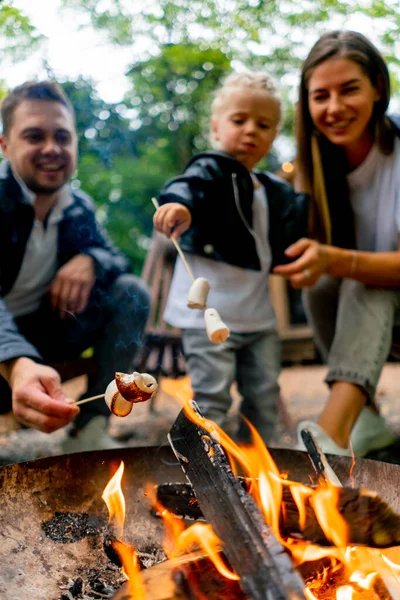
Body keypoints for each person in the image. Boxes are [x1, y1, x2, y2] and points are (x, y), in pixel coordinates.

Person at [153, 71, 307, 444]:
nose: (250, 130)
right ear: (216, 127)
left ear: (274, 136)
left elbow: (288, 235)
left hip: (258, 318)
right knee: (212, 396)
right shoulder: (211, 172)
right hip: (208, 316)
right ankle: (209, 468)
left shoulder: (273, 190)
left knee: (264, 393)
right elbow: (189, 185)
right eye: (239, 120)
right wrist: (180, 206)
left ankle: (261, 465)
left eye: (263, 124)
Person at [0, 80, 150, 446]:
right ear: (5, 145)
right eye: (35, 136)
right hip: (9, 354)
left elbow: (117, 259)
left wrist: (91, 259)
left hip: (45, 340)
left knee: (131, 292)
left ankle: (94, 427)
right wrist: (16, 362)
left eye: (63, 137)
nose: (52, 149)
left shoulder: (78, 208)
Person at [273, 30, 400, 456]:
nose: (334, 108)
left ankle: (329, 440)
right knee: (325, 284)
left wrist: (341, 260)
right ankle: (366, 423)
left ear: (378, 87)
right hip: (375, 322)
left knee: (361, 278)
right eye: (320, 96)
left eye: (349, 90)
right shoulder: (315, 170)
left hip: (387, 304)